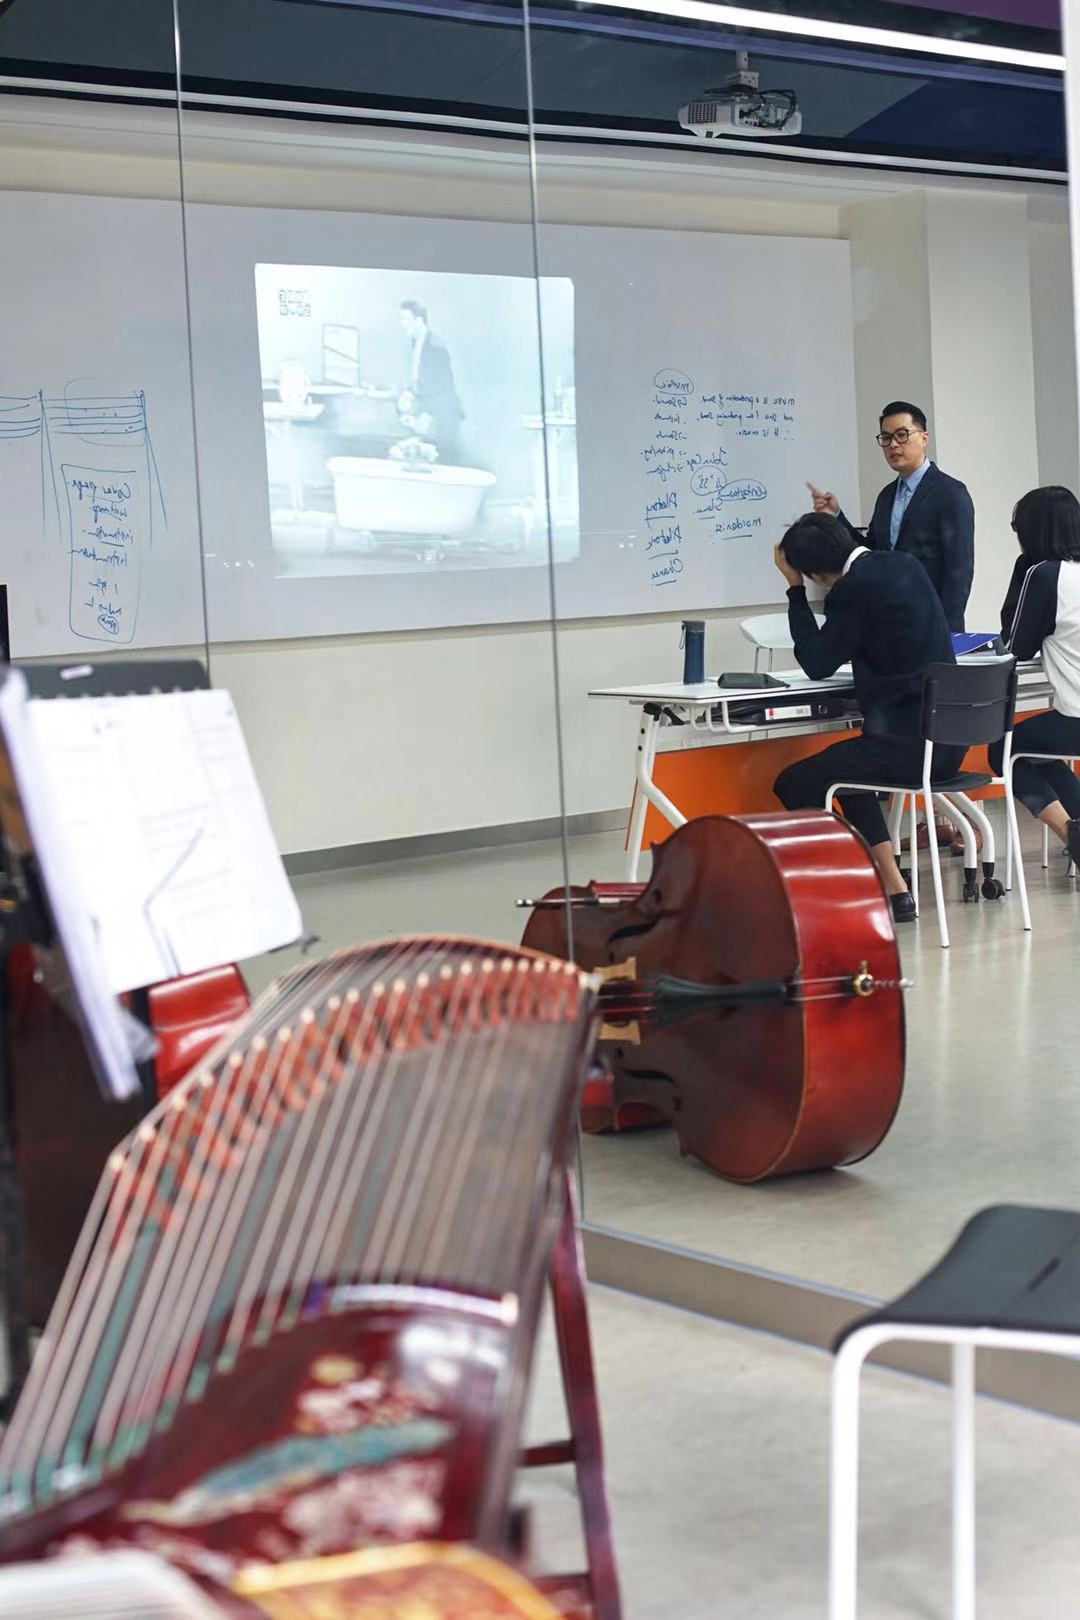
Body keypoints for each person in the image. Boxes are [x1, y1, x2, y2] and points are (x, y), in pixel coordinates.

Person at [771, 512, 964, 923]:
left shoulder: (852, 589)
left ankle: (853, 879)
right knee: (848, 774)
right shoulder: (904, 563)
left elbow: (816, 663)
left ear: (816, 574)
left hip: (905, 749)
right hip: (948, 743)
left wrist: (794, 590)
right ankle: (894, 888)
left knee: (794, 782)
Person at [808, 401, 975, 633]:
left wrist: (948, 632)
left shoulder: (950, 493)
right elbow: (870, 554)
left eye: (902, 435)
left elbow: (959, 570)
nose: (893, 444)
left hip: (932, 624)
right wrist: (836, 517)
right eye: (886, 438)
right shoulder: (886, 496)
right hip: (888, 622)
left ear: (924, 438)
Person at [989, 485, 1080, 865]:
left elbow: (1016, 644)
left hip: (1076, 718)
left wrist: (1022, 570)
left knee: (1003, 748)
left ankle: (1071, 834)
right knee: (1039, 751)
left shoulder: (1045, 575)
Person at [398, 300, 464, 464]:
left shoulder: (435, 347)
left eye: (406, 319)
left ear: (419, 321)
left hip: (443, 417)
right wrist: (409, 392)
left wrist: (429, 414)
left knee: (440, 466)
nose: (402, 324)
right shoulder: (416, 342)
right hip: (429, 413)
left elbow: (444, 388)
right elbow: (423, 378)